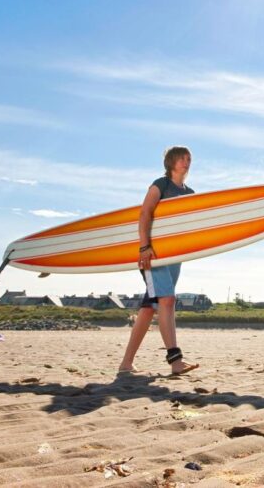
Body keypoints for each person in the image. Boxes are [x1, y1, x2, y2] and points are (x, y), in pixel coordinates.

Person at [118, 146, 200, 376]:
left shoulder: (190, 192)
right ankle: (175, 360)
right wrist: (144, 247)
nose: (187, 162)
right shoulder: (161, 185)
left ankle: (126, 363)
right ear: (171, 162)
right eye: (182, 158)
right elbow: (145, 214)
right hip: (153, 256)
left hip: (174, 257)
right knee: (167, 300)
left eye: (189, 158)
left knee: (149, 308)